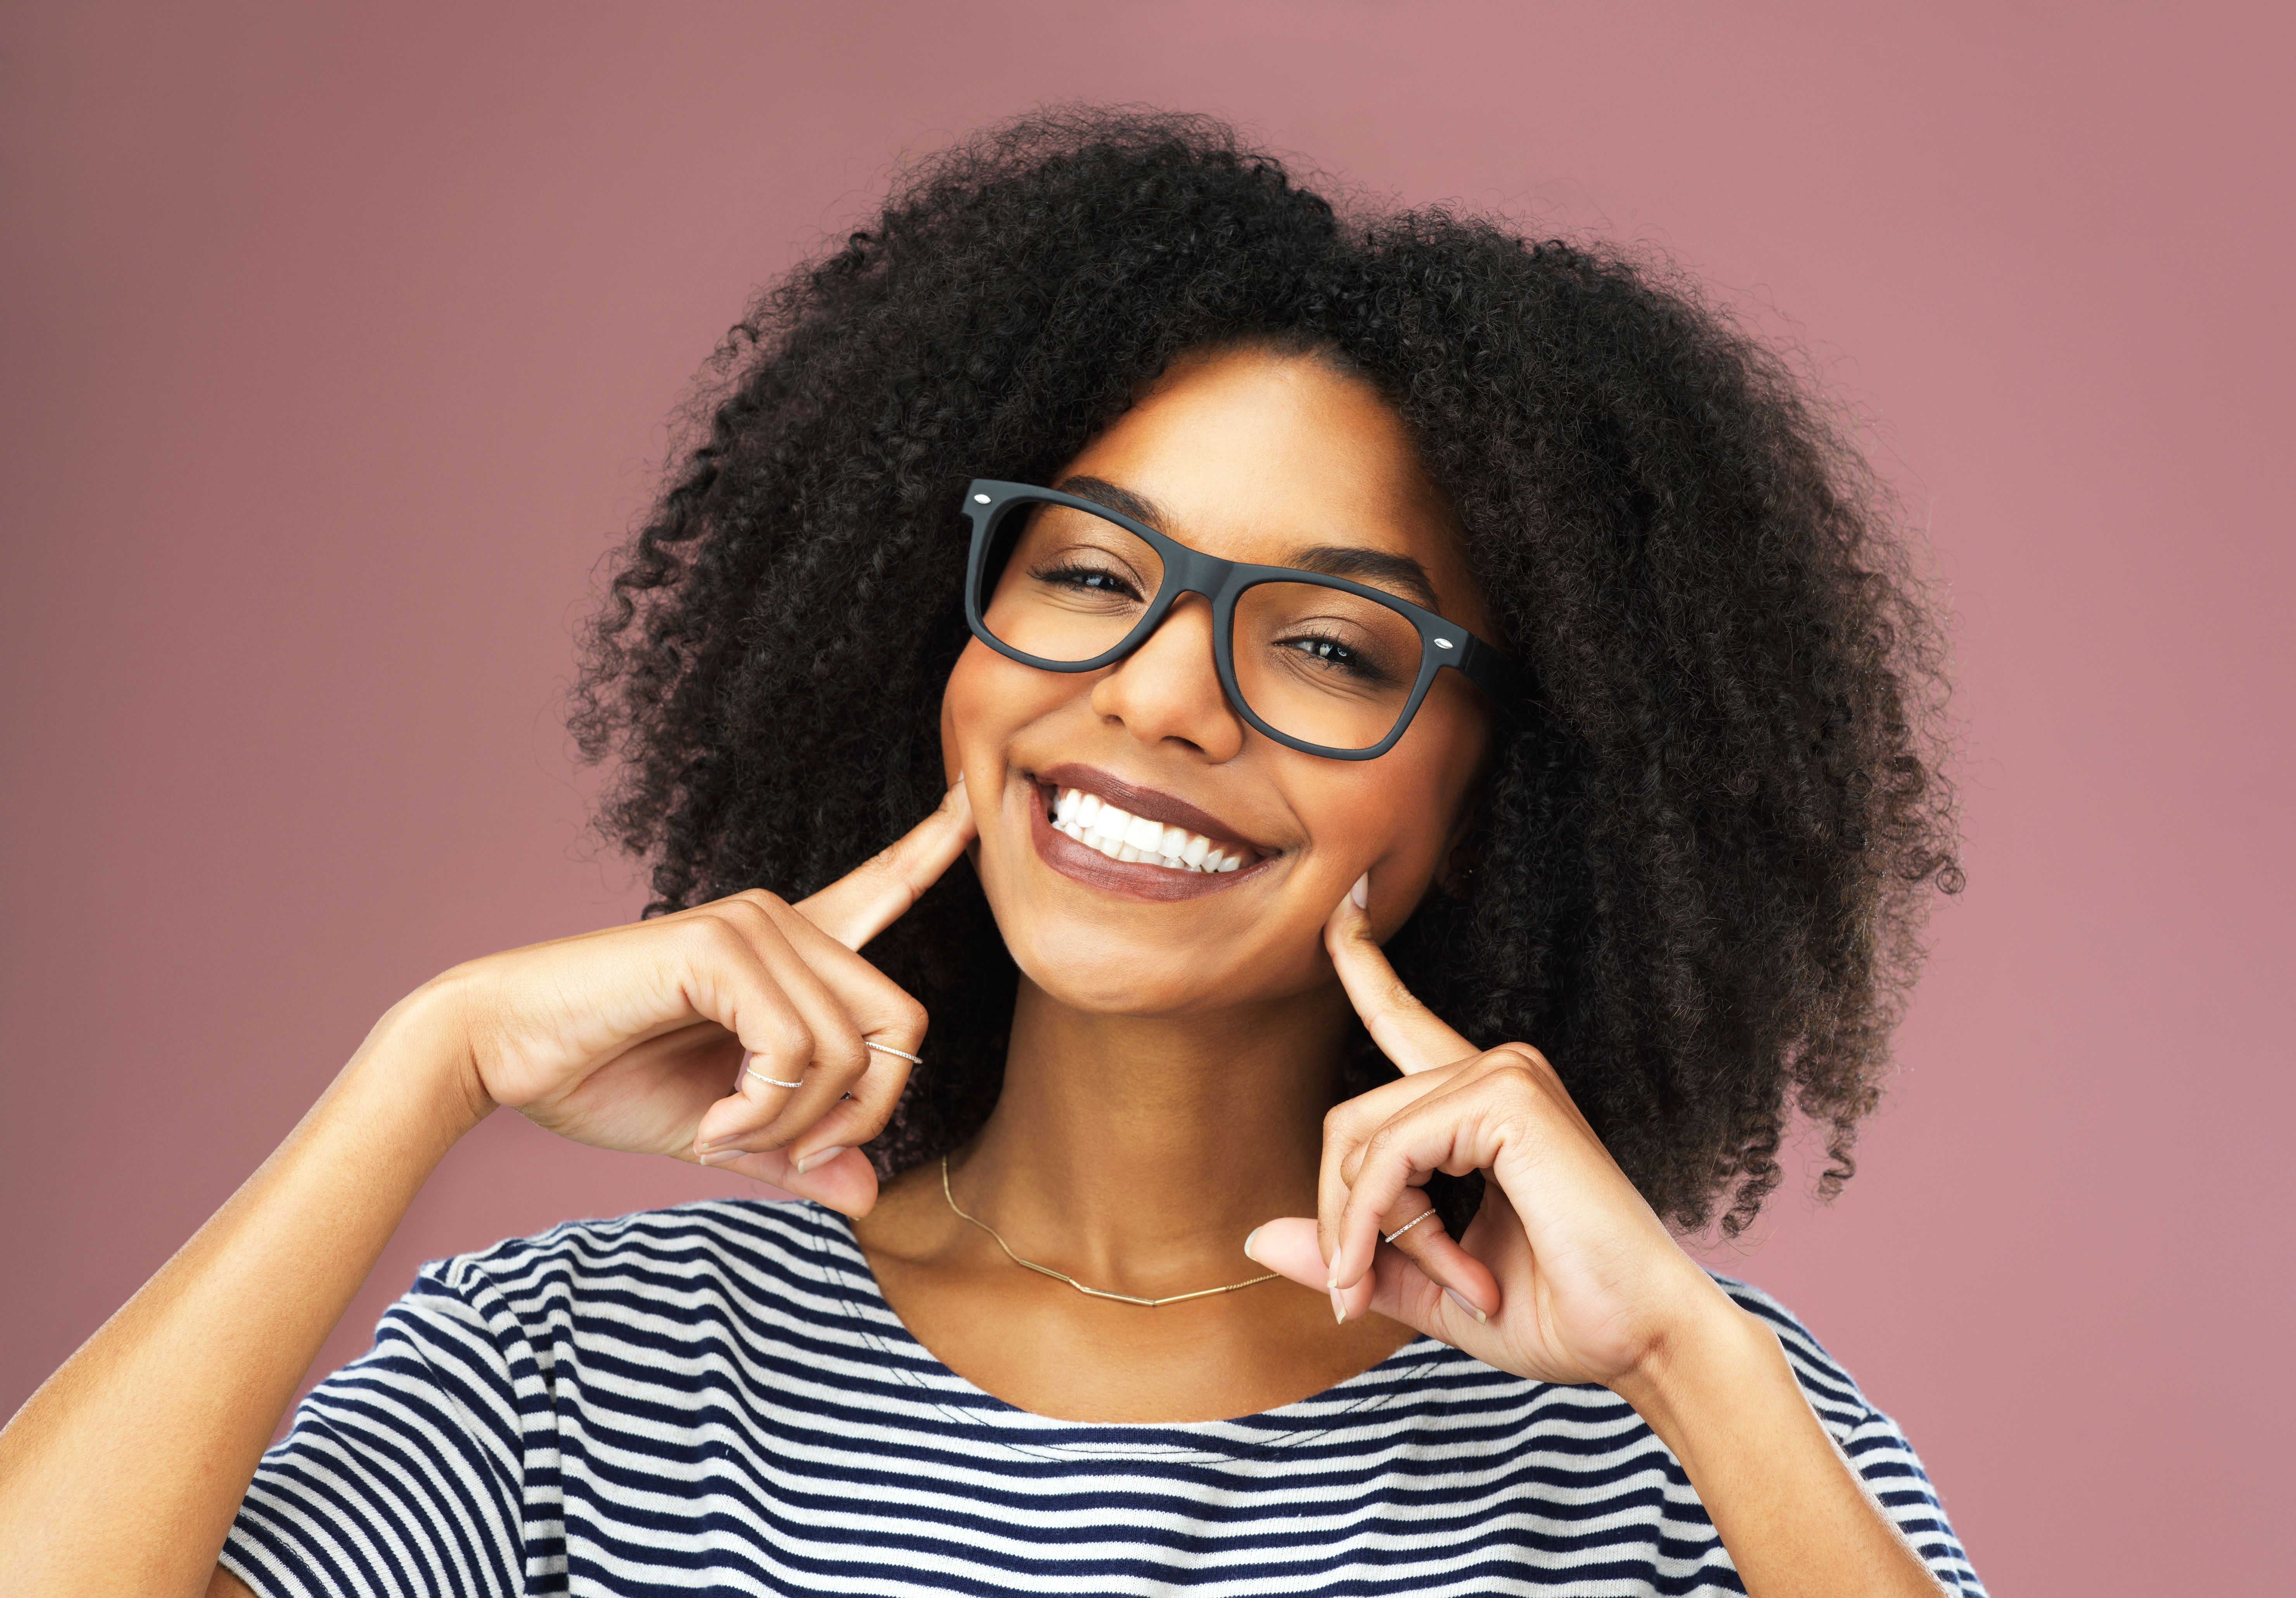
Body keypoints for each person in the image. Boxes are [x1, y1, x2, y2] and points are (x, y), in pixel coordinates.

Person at [0, 111, 1983, 1596]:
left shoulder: (1685, 1432)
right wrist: (418, 1065)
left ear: (1513, 789)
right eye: (1092, 573)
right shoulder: (575, 1385)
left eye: (1320, 642)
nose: (1157, 698)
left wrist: (1683, 1361)